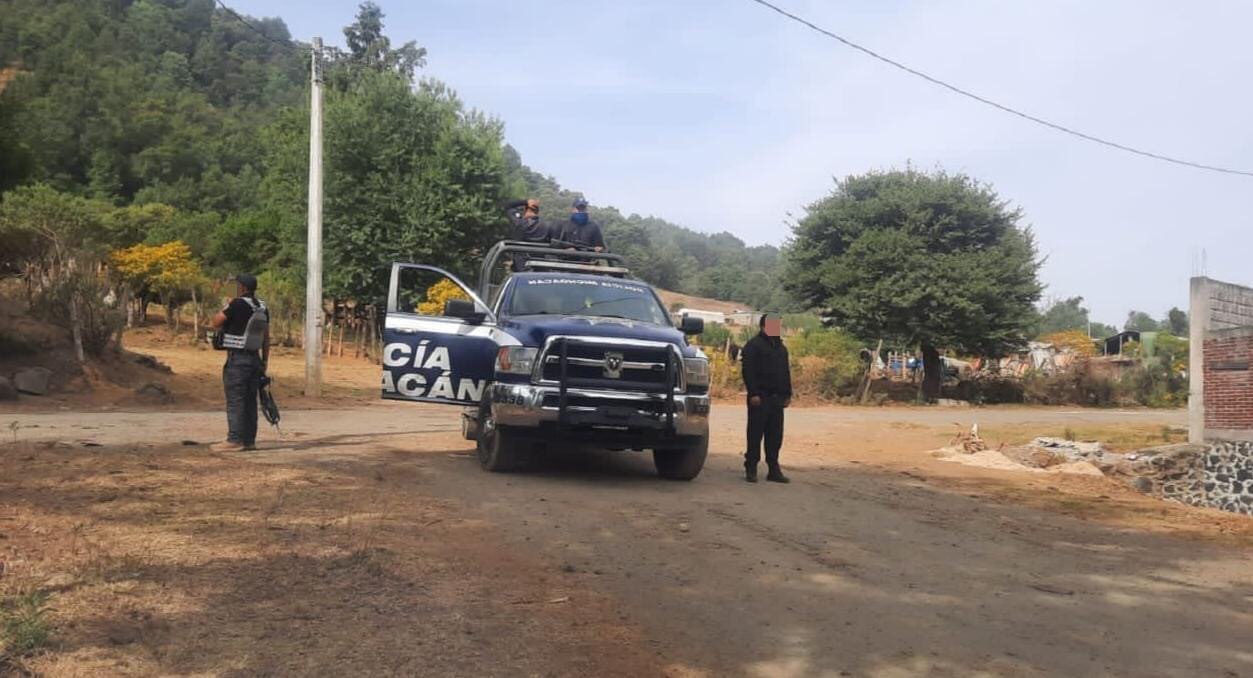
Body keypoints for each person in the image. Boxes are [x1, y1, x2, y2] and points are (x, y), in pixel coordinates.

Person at [209, 274, 269, 452]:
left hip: (238, 359)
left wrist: (228, 302)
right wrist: (264, 362)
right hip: (255, 359)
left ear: (241, 288)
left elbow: (216, 321)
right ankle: (249, 440)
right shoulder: (262, 307)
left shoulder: (236, 304)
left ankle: (234, 440)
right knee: (251, 400)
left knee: (236, 399)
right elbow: (266, 338)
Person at [741, 313, 791, 483]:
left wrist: (787, 394)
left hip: (777, 398)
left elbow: (785, 373)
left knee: (775, 435)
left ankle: (773, 469)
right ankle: (751, 467)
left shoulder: (781, 348)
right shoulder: (753, 346)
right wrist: (753, 393)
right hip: (760, 397)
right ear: (764, 326)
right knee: (755, 434)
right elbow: (748, 371)